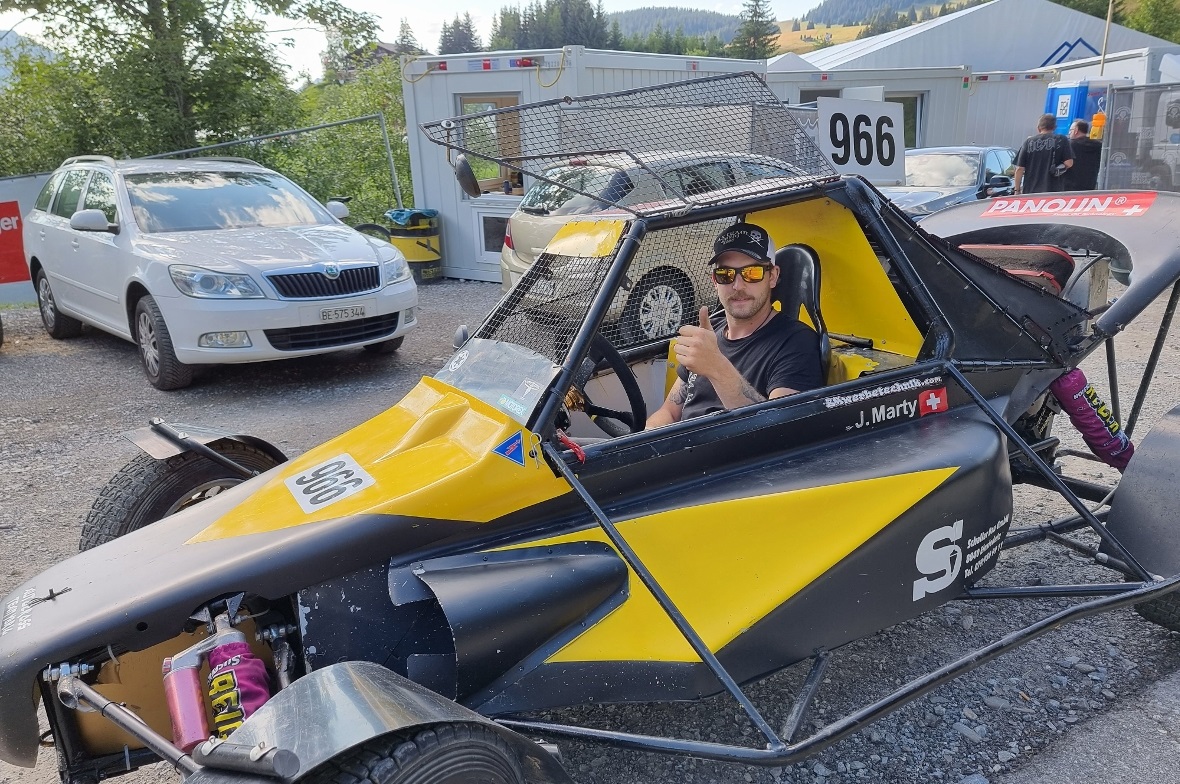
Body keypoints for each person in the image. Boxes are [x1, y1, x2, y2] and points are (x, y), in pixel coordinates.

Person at [646, 222, 825, 428]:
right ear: (715, 281)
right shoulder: (709, 332)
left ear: (773, 276)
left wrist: (716, 367)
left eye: (752, 273)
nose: (738, 286)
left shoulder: (796, 343)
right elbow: (669, 411)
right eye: (726, 275)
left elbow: (779, 430)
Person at [1013, 113, 1074, 195]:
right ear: (1054, 127)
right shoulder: (1061, 140)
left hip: (1030, 191)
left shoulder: (1028, 142)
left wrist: (1017, 190)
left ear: (1038, 128)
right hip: (1053, 191)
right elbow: (1069, 163)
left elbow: (1019, 169)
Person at [1064, 119, 1102, 191]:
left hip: (1070, 186)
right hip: (1089, 185)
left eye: (1071, 130)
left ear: (1076, 130)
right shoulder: (1098, 145)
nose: (1069, 132)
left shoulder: (1070, 145)